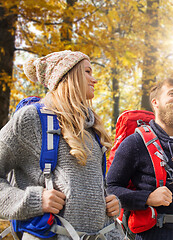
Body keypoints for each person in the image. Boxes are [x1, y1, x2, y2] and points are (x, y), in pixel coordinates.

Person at [0, 50, 123, 239]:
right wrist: (33, 200)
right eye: (88, 72)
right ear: (67, 76)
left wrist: (109, 202)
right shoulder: (31, 119)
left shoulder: (93, 129)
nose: (94, 79)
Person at [106, 78, 173, 240]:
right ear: (155, 103)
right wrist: (147, 197)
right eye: (172, 94)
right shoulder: (135, 143)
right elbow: (110, 189)